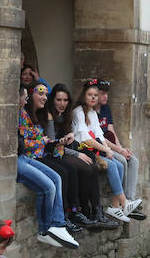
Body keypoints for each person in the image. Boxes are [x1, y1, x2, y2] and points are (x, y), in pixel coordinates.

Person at [15, 86, 80, 248]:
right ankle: (45, 229)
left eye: (46, 94)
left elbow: (47, 143)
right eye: (39, 94)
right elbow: (23, 144)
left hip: (30, 156)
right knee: (49, 186)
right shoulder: (19, 115)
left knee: (58, 177)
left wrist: (61, 142)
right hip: (23, 158)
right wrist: (42, 142)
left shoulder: (29, 114)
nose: (44, 97)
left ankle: (58, 224)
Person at [48, 84, 118, 230]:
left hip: (66, 150)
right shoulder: (50, 116)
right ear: (52, 99)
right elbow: (52, 145)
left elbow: (94, 134)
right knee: (80, 168)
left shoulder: (67, 115)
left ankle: (94, 211)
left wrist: (71, 137)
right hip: (57, 153)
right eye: (58, 100)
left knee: (91, 166)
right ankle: (76, 211)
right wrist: (77, 153)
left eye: (65, 100)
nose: (62, 104)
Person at [72, 79, 143, 220]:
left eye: (95, 95)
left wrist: (108, 149)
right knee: (111, 165)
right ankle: (125, 202)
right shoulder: (79, 112)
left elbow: (99, 134)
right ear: (83, 96)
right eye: (90, 95)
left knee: (119, 165)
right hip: (81, 150)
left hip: (94, 149)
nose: (93, 98)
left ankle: (115, 208)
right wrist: (107, 149)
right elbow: (85, 138)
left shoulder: (92, 113)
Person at [97, 80, 141, 200]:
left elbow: (111, 131)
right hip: (100, 147)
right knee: (122, 160)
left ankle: (129, 198)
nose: (105, 96)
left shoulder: (106, 109)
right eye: (102, 93)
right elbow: (102, 138)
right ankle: (122, 201)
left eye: (106, 93)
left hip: (110, 146)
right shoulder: (91, 113)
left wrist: (121, 148)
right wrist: (120, 151)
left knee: (133, 160)